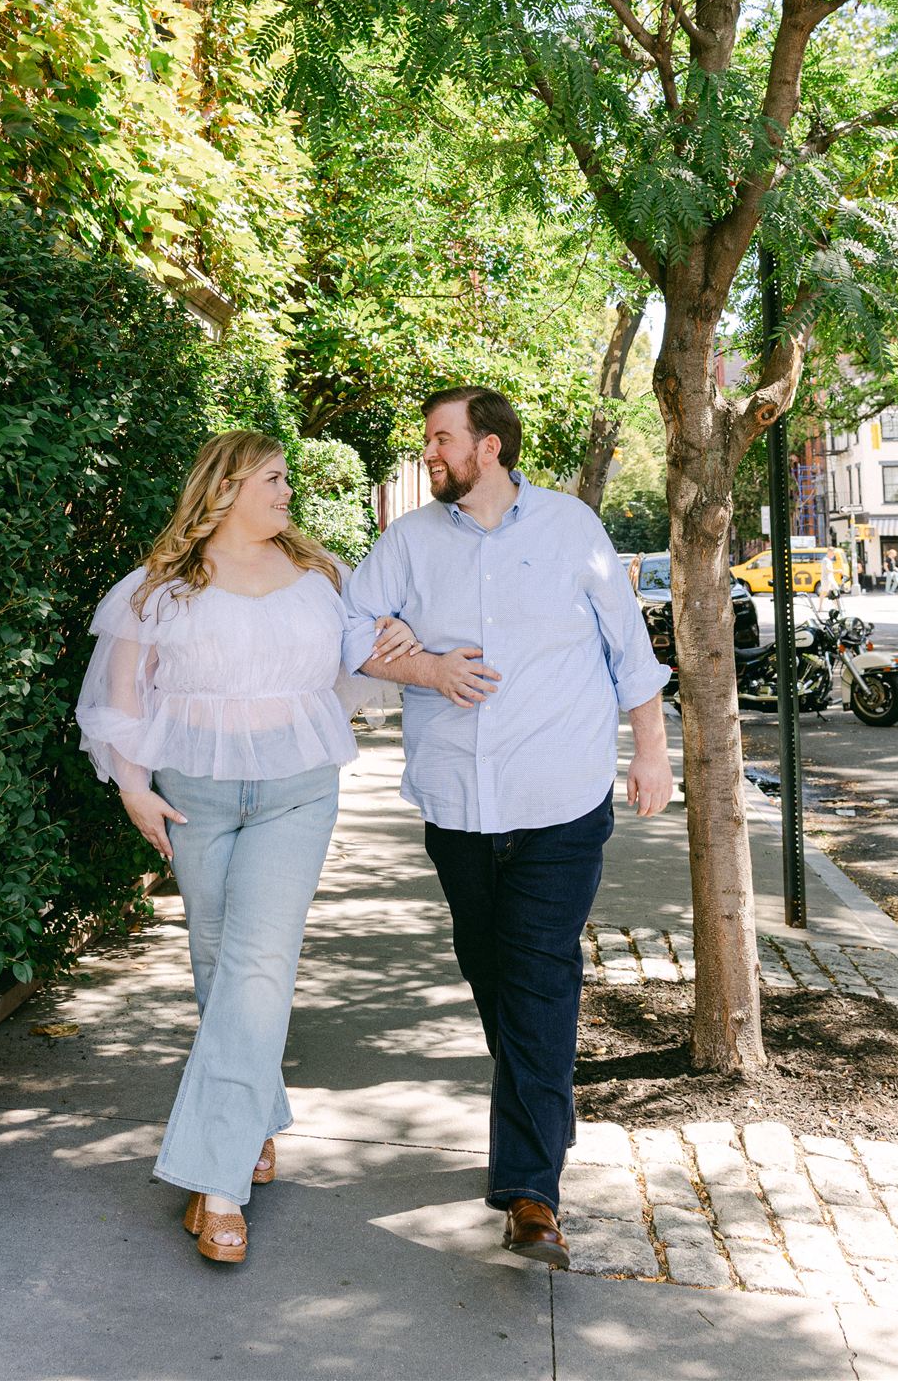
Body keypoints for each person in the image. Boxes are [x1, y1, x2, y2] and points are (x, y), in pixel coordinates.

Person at [342, 387, 674, 1268]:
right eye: (426, 442)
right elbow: (344, 629)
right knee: (493, 976)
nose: (428, 454)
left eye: (440, 440)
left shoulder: (570, 528)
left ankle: (531, 1193)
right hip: (456, 804)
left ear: (487, 448)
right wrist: (421, 666)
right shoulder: (409, 542)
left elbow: (625, 649)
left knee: (537, 976)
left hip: (560, 798)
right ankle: (540, 1106)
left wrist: (652, 753)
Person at [74, 430, 414, 1265]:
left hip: (298, 787)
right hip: (193, 792)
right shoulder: (157, 593)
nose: (287, 491)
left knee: (259, 962)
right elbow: (118, 700)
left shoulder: (322, 579)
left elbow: (358, 667)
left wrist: (402, 644)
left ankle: (215, 1180)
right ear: (223, 488)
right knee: (218, 958)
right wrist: (131, 787)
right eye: (273, 478)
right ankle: (252, 1117)